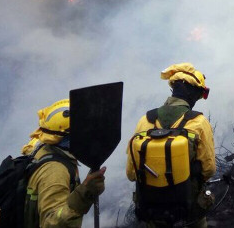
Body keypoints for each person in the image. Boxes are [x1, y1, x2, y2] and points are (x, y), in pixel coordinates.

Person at [126, 63, 216, 228]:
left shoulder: (145, 120)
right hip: (189, 212)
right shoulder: (199, 122)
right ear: (193, 93)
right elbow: (208, 169)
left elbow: (131, 173)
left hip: (152, 211)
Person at [24, 98, 106, 227]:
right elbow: (51, 224)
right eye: (82, 132)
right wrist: (84, 193)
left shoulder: (42, 147)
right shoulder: (55, 171)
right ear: (69, 136)